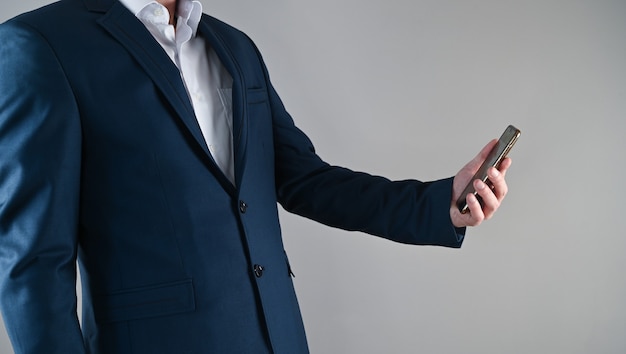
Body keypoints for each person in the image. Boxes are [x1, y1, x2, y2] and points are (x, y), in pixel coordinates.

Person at [0, 0, 511, 353]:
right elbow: (32, 262)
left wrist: (442, 202)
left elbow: (306, 181)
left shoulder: (234, 47)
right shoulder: (43, 45)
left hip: (277, 337)